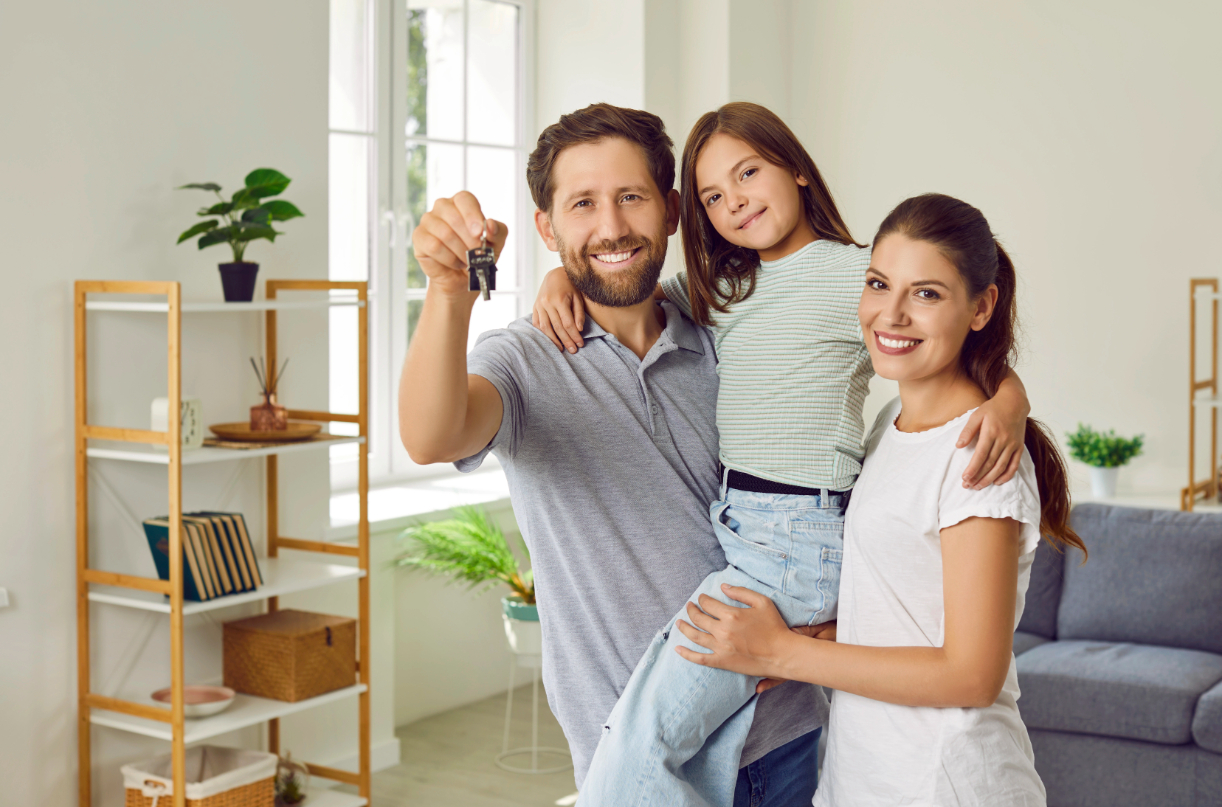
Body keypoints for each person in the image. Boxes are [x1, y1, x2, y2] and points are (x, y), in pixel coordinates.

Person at [531, 103, 1032, 807]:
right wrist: (560, 277)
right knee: (656, 740)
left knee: (638, 742)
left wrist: (1010, 403)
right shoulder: (722, 289)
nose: (734, 201)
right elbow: (624, 288)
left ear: (796, 168)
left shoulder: (858, 277)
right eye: (712, 196)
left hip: (791, 538)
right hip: (747, 533)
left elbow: (954, 335)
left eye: (748, 173)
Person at [399, 103, 829, 806]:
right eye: (582, 204)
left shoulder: (725, 327)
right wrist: (449, 293)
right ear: (547, 228)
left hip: (784, 734)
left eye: (631, 197)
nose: (611, 226)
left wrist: (1005, 395)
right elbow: (431, 436)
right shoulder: (524, 360)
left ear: (671, 210)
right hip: (639, 762)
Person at [675, 193, 1087, 807]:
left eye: (927, 294)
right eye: (878, 284)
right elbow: (910, 605)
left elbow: (972, 675)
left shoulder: (978, 454)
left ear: (981, 307)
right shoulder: (889, 424)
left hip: (946, 787)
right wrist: (831, 635)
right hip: (863, 779)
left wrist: (784, 653)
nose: (891, 315)